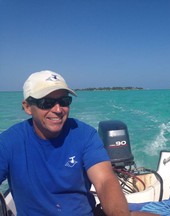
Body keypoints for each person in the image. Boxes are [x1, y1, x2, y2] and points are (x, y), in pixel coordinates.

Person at [0, 70, 156, 216]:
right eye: (46, 103)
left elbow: (104, 181)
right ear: (27, 107)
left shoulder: (84, 135)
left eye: (64, 101)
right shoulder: (9, 142)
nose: (58, 109)